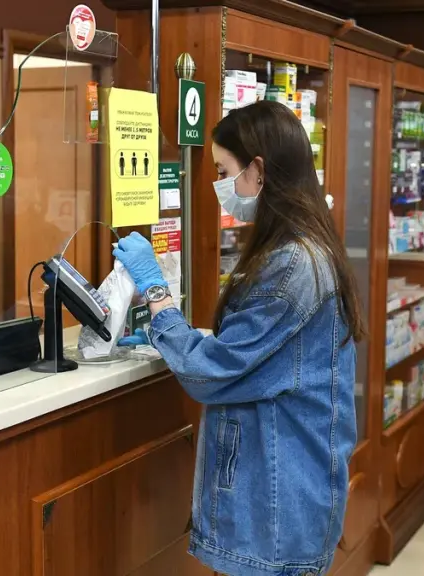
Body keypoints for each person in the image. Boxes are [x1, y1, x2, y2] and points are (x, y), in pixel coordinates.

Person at [112, 100, 363, 576]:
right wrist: (175, 335)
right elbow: (263, 351)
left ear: (258, 171)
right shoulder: (300, 247)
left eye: (224, 171)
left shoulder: (292, 264)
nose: (221, 186)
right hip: (285, 500)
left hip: (276, 509)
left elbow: (210, 373)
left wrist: (157, 294)